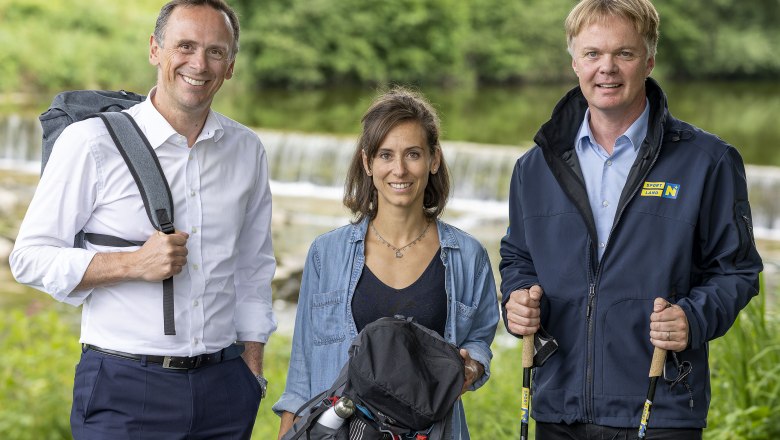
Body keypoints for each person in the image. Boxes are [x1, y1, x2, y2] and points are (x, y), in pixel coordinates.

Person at [10, 1, 276, 438]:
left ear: (230, 66)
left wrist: (252, 374)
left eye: (215, 51)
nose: (199, 63)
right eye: (184, 46)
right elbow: (29, 259)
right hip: (125, 388)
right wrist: (134, 263)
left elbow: (252, 269)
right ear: (155, 49)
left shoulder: (246, 150)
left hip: (226, 390)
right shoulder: (90, 142)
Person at [499, 0, 763, 439]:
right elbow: (517, 258)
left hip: (660, 406)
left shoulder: (708, 162)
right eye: (592, 54)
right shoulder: (534, 167)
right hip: (557, 406)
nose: (607, 68)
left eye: (624, 53)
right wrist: (517, 299)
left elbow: (737, 270)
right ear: (574, 62)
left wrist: (693, 319)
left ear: (649, 60)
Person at [272, 86, 499, 439]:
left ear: (433, 159)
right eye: (385, 155)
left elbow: (480, 340)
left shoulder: (468, 257)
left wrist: (473, 365)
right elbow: (302, 370)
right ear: (367, 162)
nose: (399, 170)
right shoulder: (326, 254)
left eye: (413, 154)